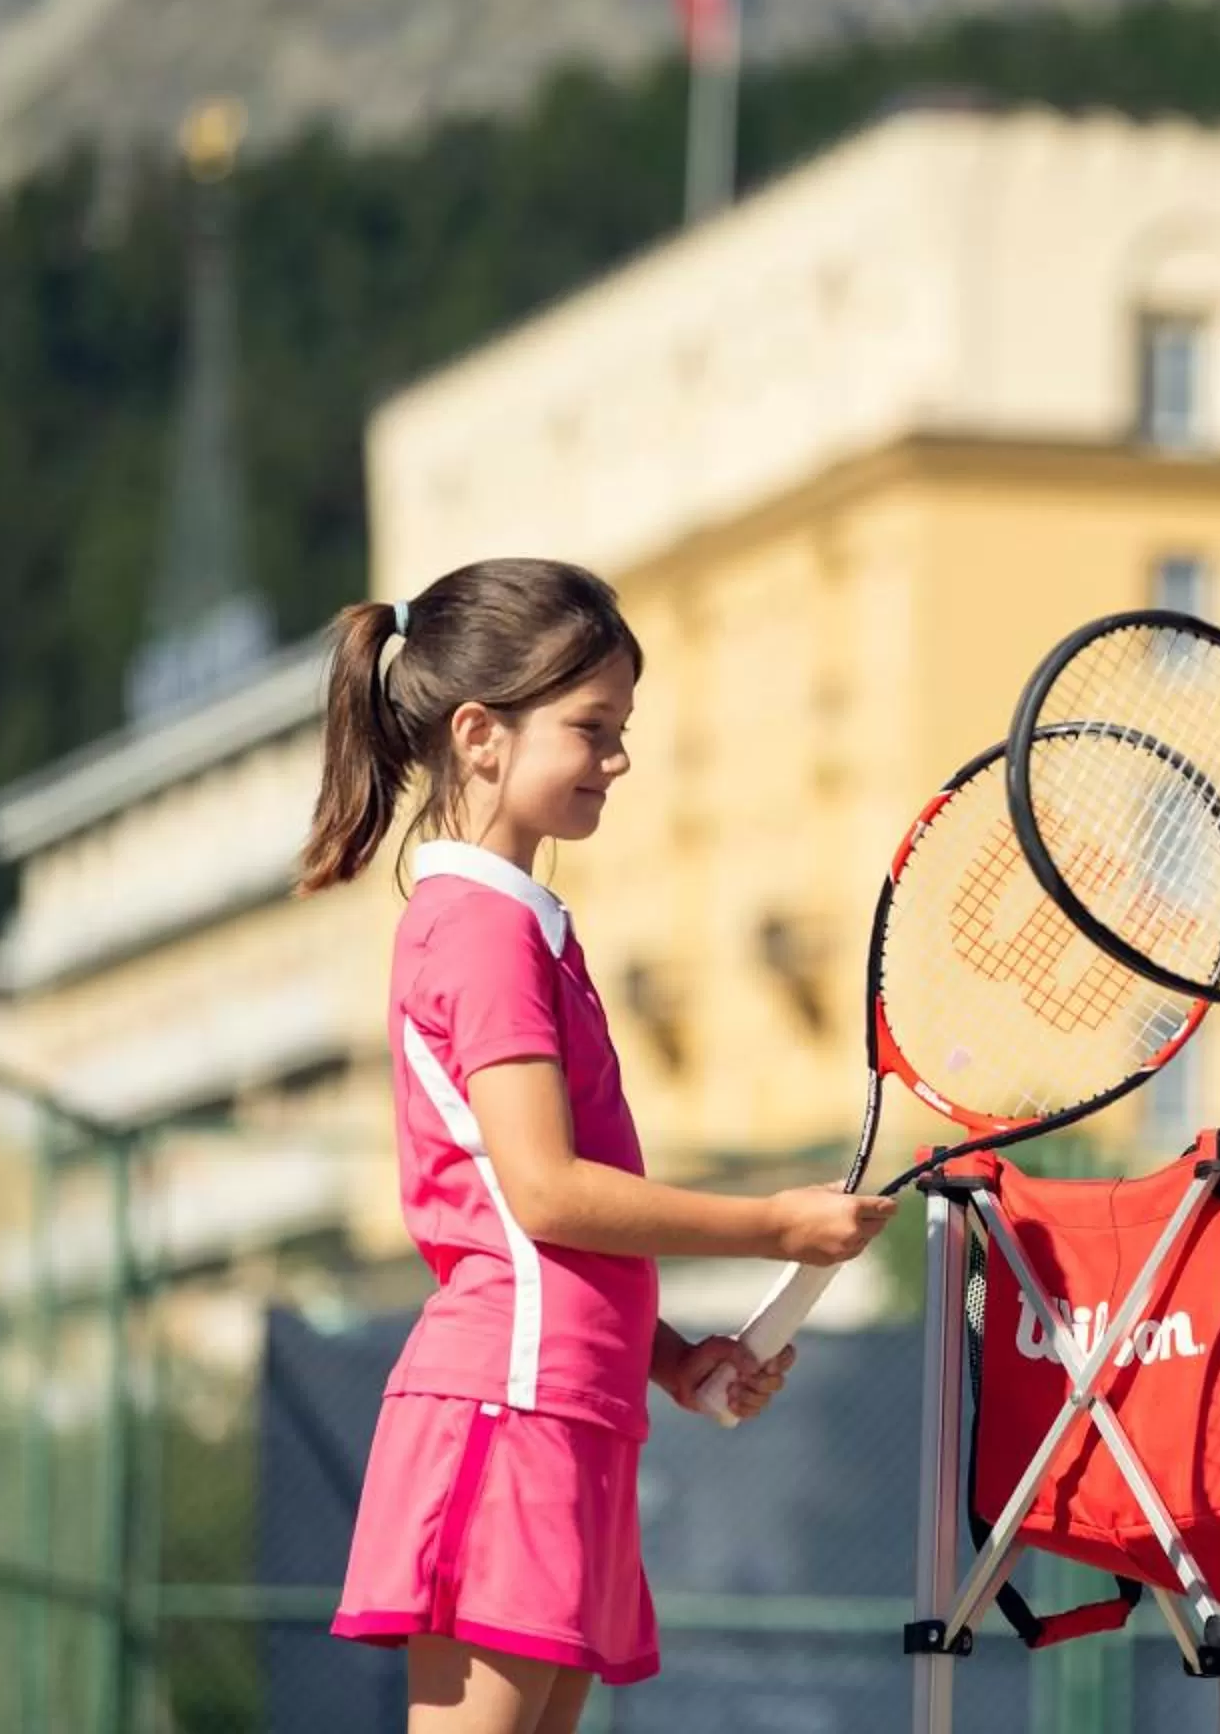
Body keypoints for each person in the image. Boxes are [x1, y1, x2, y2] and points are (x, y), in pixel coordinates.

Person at [302, 557, 896, 1734]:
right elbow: (551, 1194)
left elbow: (557, 1240)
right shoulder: (479, 933)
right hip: (508, 1408)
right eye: (593, 728)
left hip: (568, 1406)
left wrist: (673, 1359)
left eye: (621, 727)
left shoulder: (521, 929)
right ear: (479, 735)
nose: (618, 759)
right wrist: (774, 1223)